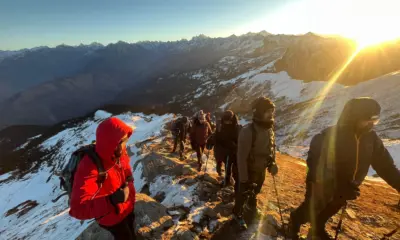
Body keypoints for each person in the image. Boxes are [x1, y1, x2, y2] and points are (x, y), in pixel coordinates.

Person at [289, 97, 400, 240]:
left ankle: (317, 229)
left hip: (348, 186)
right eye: (369, 119)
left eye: (375, 120)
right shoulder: (329, 136)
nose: (372, 123)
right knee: (312, 207)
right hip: (322, 183)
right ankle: (294, 222)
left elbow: (385, 165)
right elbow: (317, 164)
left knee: (333, 207)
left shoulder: (371, 139)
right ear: (355, 117)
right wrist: (337, 184)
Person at [70, 117, 137, 240]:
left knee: (132, 232)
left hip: (127, 207)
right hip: (111, 217)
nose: (125, 144)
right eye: (123, 141)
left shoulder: (120, 152)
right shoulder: (89, 166)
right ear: (113, 143)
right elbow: (77, 209)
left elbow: (126, 169)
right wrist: (110, 200)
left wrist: (129, 182)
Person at [233, 97, 278, 229]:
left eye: (272, 111)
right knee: (243, 193)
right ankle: (237, 213)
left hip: (261, 169)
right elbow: (241, 157)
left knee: (256, 190)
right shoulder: (248, 131)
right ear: (259, 112)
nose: (270, 114)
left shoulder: (269, 129)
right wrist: (244, 179)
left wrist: (272, 163)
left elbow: (270, 149)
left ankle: (251, 207)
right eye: (267, 111)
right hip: (248, 170)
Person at [214, 110, 240, 190]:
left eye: (228, 121)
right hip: (224, 151)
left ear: (232, 119)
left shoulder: (237, 128)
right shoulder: (221, 126)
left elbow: (240, 140)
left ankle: (230, 183)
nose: (227, 122)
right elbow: (217, 136)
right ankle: (227, 181)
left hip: (233, 151)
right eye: (225, 121)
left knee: (231, 168)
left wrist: (234, 145)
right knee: (226, 166)